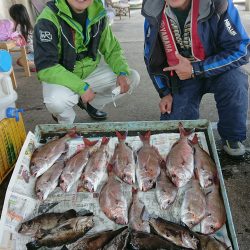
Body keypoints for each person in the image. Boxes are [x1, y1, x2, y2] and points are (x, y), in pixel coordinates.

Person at [142, 0, 250, 157]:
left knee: (236, 81)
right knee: (175, 134)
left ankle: (232, 136)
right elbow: (151, 58)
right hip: (182, 76)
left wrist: (196, 69)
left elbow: (241, 49)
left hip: (217, 69)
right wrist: (164, 92)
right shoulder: (153, 9)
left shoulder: (219, 4)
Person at [33, 0, 140, 123]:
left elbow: (112, 50)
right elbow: (46, 67)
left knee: (131, 77)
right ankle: (65, 123)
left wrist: (122, 72)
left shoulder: (98, 13)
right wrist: (81, 87)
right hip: (63, 79)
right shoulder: (47, 20)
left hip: (90, 72)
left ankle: (91, 105)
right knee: (56, 102)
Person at [9, 4, 35, 71]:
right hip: (37, 52)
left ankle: (41, 66)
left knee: (20, 61)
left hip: (35, 53)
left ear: (15, 17)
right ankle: (35, 65)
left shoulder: (19, 27)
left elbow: (17, 42)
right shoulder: (27, 26)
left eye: (12, 17)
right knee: (22, 60)